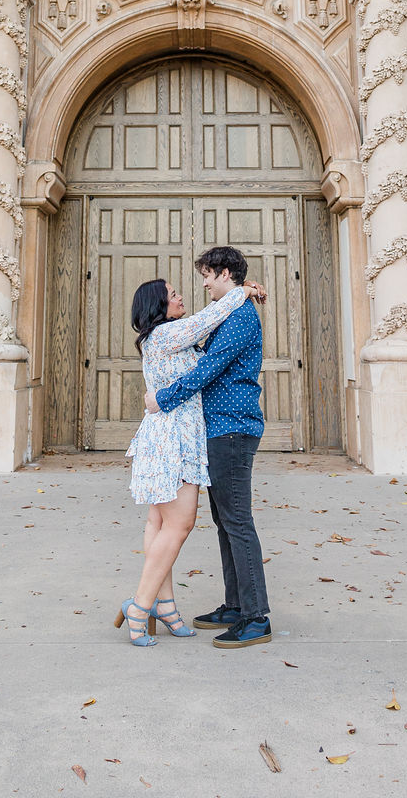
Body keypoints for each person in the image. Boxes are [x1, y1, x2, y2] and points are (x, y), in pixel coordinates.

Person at [116, 273, 265, 647]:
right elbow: (204, 322)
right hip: (173, 440)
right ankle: (140, 606)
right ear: (158, 307)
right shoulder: (167, 335)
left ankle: (163, 604)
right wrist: (242, 292)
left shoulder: (165, 337)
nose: (181, 296)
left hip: (165, 435)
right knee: (179, 525)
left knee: (159, 522)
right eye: (172, 294)